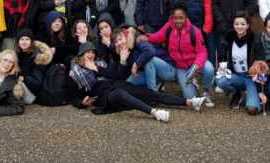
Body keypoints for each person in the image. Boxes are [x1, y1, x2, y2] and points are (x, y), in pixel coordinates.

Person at [66, 42, 205, 122]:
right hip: (104, 96)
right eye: (87, 53)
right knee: (119, 94)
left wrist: (97, 69)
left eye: (92, 52)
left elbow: (114, 76)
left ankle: (189, 102)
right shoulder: (75, 73)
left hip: (117, 85)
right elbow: (72, 96)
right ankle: (155, 113)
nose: (91, 55)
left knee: (149, 93)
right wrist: (82, 102)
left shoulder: (100, 64)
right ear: (81, 55)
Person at [145, 2, 216, 104]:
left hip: (195, 63)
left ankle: (206, 91)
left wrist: (196, 66)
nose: (178, 21)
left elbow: (202, 52)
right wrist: (145, 37)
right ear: (172, 17)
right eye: (175, 18)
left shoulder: (194, 31)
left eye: (181, 18)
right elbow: (157, 37)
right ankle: (192, 84)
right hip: (181, 68)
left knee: (209, 69)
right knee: (190, 97)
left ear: (186, 17)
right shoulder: (169, 27)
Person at [215, 13, 263, 115]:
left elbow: (260, 59)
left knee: (252, 109)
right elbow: (224, 56)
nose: (239, 26)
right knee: (220, 81)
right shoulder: (229, 38)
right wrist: (221, 67)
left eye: (243, 24)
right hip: (236, 75)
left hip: (250, 77)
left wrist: (256, 68)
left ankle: (250, 95)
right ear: (233, 25)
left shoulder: (254, 39)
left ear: (247, 25)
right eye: (236, 24)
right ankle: (237, 93)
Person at [15, 29, 53, 104]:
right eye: (22, 39)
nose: (24, 42)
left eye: (27, 39)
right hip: (20, 84)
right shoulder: (17, 54)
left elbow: (37, 83)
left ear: (31, 42)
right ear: (18, 42)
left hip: (32, 92)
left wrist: (24, 78)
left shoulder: (38, 57)